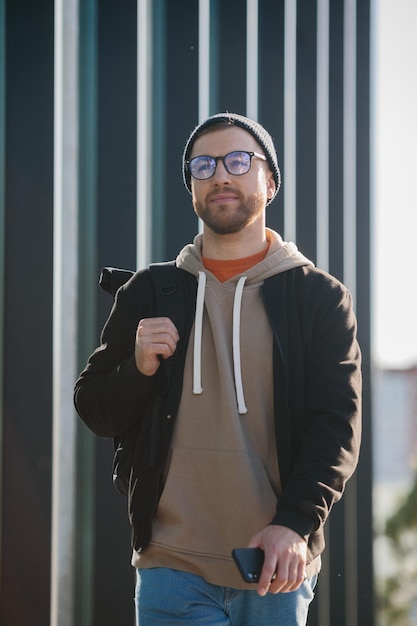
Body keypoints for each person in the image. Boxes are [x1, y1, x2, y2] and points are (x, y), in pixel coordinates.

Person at [74, 112, 362, 625]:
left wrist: (294, 525)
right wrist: (139, 367)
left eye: (238, 161)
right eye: (203, 166)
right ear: (191, 189)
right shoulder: (149, 290)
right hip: (170, 562)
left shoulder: (318, 297)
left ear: (269, 182)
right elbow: (95, 409)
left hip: (274, 563)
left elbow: (336, 427)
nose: (220, 175)